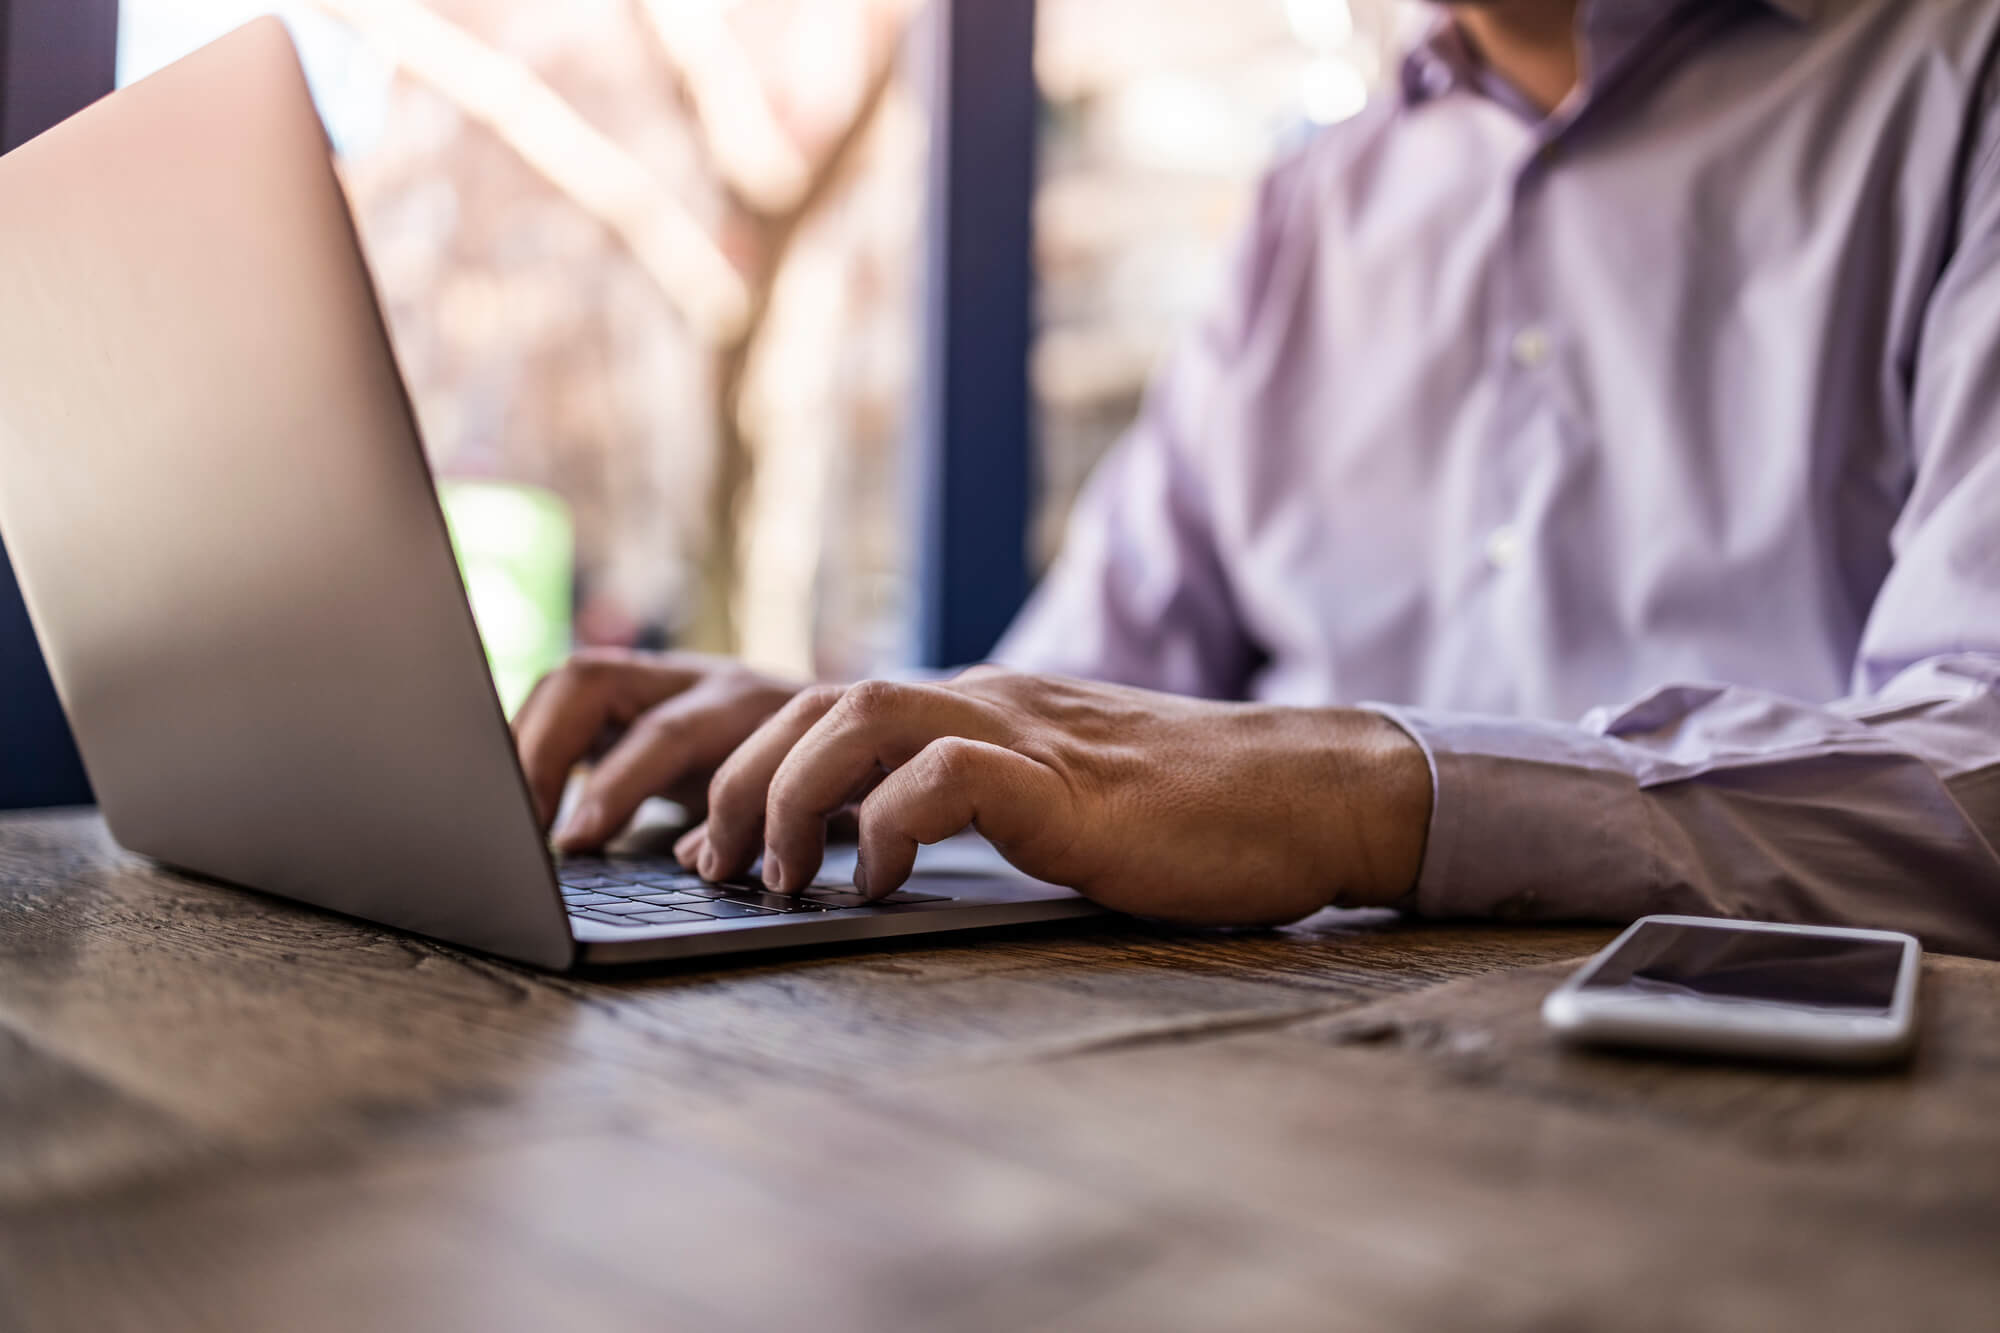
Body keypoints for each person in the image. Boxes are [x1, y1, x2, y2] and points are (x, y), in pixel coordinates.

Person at [512, 0, 2000, 958]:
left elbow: (1978, 774)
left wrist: (1360, 795)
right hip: (1266, 1093)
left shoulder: (1961, 85)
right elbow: (1068, 700)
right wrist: (840, 748)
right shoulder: (1315, 201)